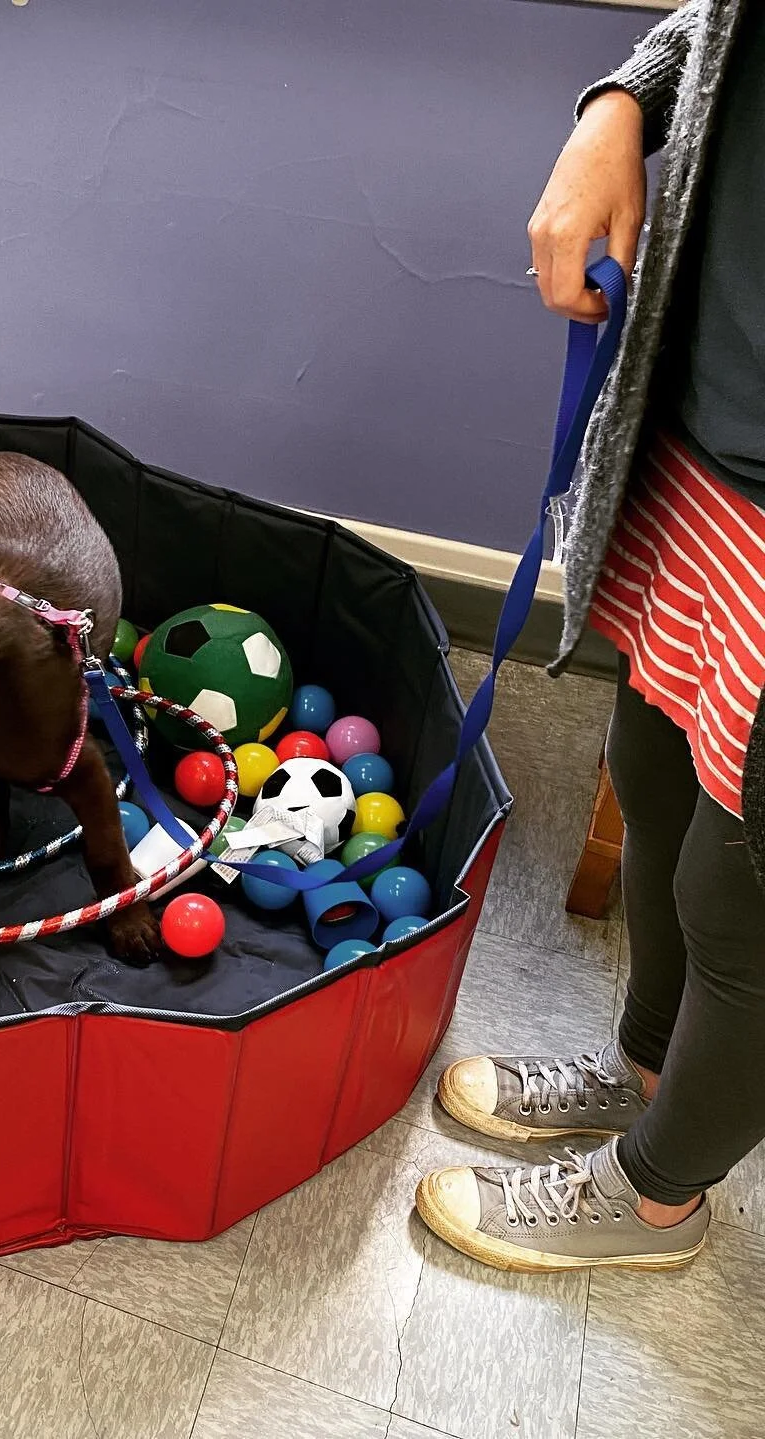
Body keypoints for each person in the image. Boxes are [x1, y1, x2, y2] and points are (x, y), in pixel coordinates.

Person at [413, 0, 765, 1272]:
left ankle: (661, 1195)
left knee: (745, 893)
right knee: (654, 770)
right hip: (711, 429)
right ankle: (649, 1068)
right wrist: (623, 101)